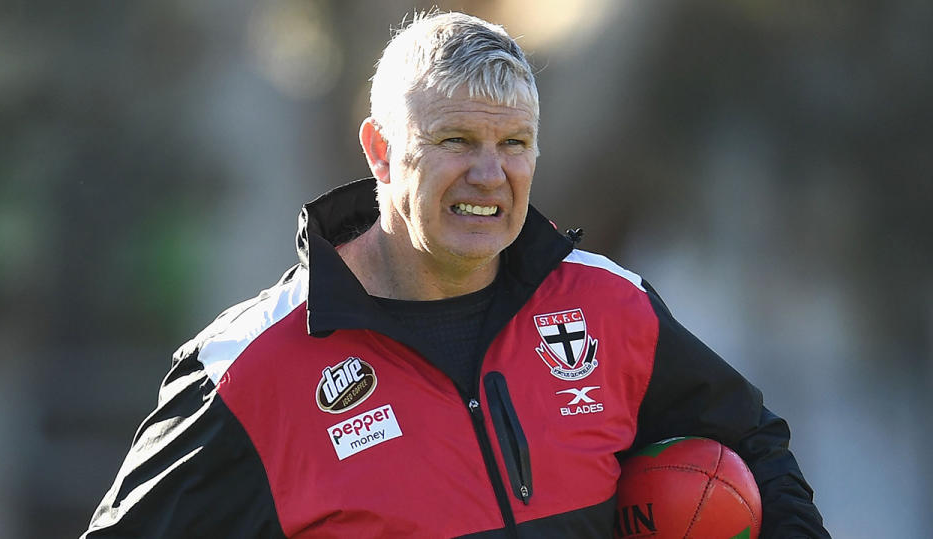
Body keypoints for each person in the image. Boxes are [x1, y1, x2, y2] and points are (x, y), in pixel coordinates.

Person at [82, 11, 829, 538]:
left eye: (515, 142)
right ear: (379, 150)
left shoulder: (607, 305)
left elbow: (755, 446)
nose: (490, 172)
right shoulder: (248, 372)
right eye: (455, 139)